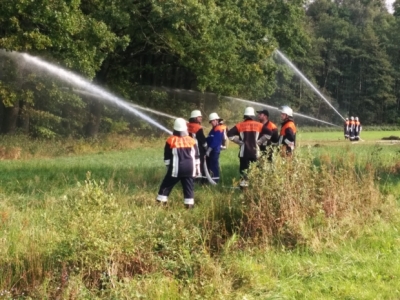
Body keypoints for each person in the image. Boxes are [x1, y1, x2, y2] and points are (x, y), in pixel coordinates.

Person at [156, 118, 200, 209]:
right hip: (190, 169)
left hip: (176, 169)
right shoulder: (192, 140)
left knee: (166, 185)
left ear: (175, 128)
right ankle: (189, 206)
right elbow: (196, 157)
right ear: (185, 128)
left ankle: (161, 203)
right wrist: (197, 169)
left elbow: (167, 157)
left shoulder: (170, 140)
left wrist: (169, 169)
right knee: (189, 188)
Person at [227, 107, 267, 187]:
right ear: (253, 116)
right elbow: (269, 133)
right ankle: (257, 187)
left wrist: (239, 142)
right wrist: (260, 141)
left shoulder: (240, 125)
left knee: (244, 171)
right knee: (257, 170)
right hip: (255, 152)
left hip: (244, 153)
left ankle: (244, 188)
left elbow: (229, 134)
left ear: (245, 116)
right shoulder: (259, 125)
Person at [187, 110, 207, 180]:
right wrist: (206, 147)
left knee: (190, 164)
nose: (201, 118)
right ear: (195, 118)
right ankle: (198, 179)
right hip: (197, 149)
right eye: (199, 117)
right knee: (199, 164)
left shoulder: (187, 125)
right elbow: (202, 139)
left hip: (188, 149)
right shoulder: (198, 127)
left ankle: (190, 177)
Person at [205, 112, 225, 183]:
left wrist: (208, 150)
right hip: (210, 151)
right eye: (211, 121)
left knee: (214, 166)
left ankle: (215, 181)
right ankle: (208, 180)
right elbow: (209, 139)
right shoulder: (213, 129)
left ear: (217, 120)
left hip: (214, 151)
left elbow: (215, 141)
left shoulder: (219, 129)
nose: (212, 123)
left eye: (213, 121)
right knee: (209, 166)